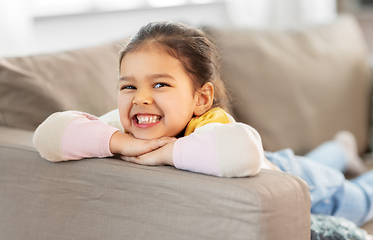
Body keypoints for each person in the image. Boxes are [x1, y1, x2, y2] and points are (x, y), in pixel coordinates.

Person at [33, 21, 372, 227]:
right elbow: (47, 136)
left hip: (306, 186)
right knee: (314, 160)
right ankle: (340, 149)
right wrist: (121, 144)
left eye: (160, 84)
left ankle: (341, 154)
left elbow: (243, 155)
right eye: (128, 86)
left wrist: (165, 152)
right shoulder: (125, 131)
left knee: (362, 197)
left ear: (201, 98)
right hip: (281, 159)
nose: (141, 98)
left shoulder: (213, 125)